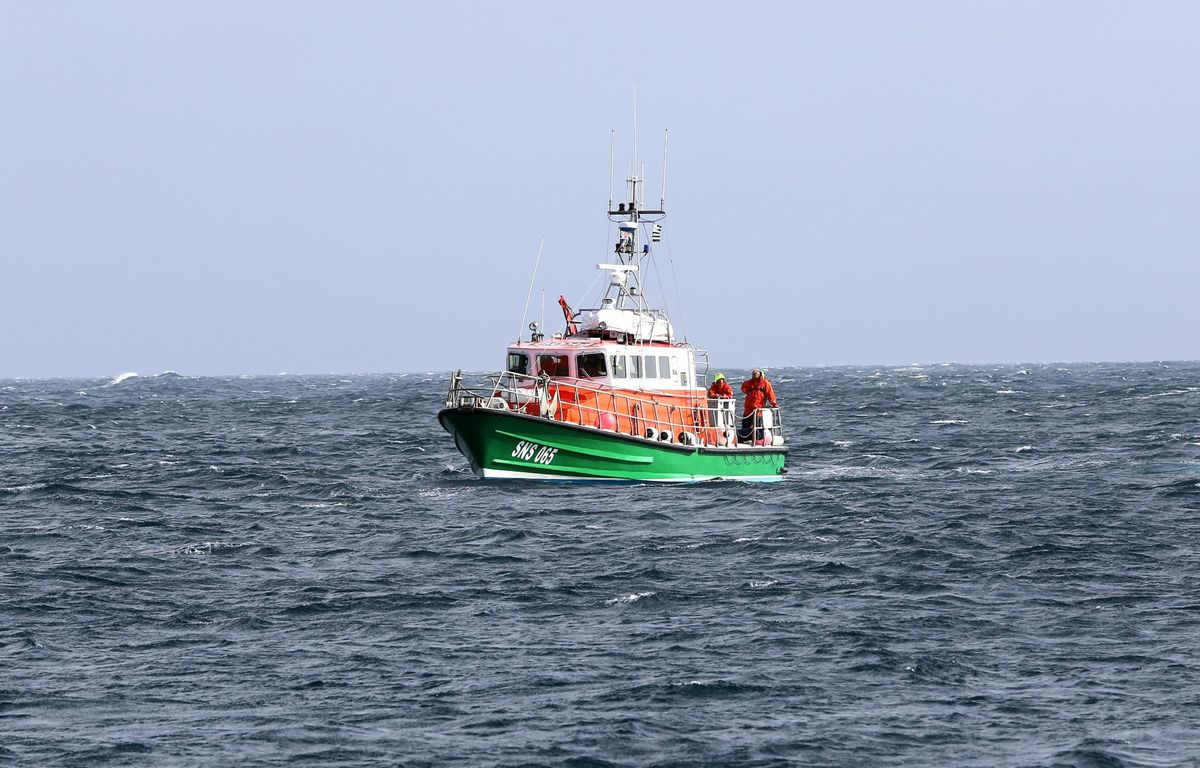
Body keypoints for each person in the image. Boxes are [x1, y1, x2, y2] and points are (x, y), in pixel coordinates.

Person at [739, 368, 777, 442]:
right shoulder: (749, 382)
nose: (755, 375)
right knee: (745, 426)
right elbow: (743, 387)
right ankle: (744, 439)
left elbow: (770, 394)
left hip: (758, 409)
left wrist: (774, 404)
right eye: (753, 374)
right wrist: (747, 390)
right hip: (748, 409)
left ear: (760, 374)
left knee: (758, 426)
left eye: (756, 374)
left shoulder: (765, 383)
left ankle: (758, 439)